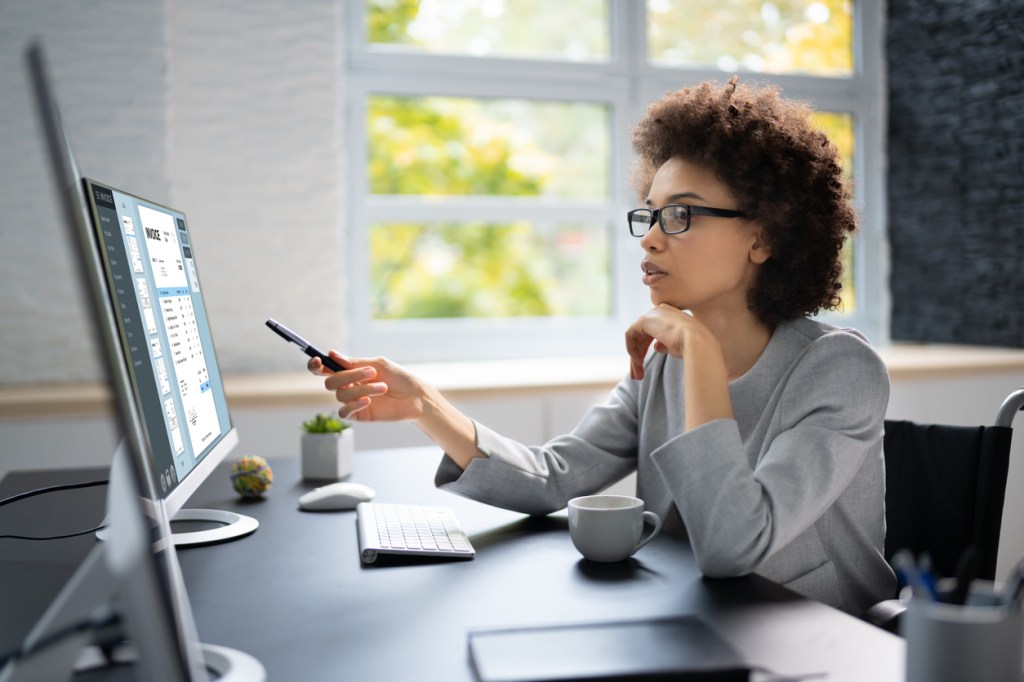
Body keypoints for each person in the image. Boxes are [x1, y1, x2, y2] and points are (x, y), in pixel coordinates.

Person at [308, 77, 896, 616]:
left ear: (763, 237)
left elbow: (732, 546)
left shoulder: (839, 370)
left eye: (683, 215)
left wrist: (702, 358)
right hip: (692, 621)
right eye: (652, 215)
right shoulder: (667, 358)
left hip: (813, 642)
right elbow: (553, 477)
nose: (653, 241)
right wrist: (425, 406)